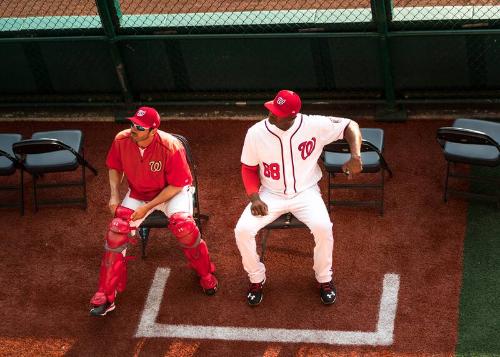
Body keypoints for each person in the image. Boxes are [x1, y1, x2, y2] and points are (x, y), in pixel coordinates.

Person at [234, 90, 362, 306]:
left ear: (292, 117)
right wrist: (254, 197)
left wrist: (355, 156)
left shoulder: (314, 125)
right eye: (273, 109)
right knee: (242, 231)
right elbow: (248, 168)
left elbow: (350, 125)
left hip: (306, 192)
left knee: (323, 227)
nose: (271, 115)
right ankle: (256, 278)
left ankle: (324, 279)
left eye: (277, 113)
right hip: (270, 194)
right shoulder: (255, 133)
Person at [89, 106, 218, 316]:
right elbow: (115, 167)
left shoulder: (171, 146)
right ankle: (106, 294)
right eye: (132, 124)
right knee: (116, 232)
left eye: (139, 127)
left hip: (172, 193)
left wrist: (147, 208)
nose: (133, 129)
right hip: (139, 193)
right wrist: (113, 194)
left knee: (184, 227)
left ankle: (205, 273)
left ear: (153, 131)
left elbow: (177, 185)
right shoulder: (122, 139)